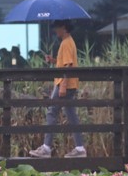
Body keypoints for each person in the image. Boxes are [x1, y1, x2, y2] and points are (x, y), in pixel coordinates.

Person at [29, 19, 86, 158]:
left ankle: (46, 148)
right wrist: (53, 60)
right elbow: (64, 63)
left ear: (64, 28)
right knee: (71, 115)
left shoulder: (66, 43)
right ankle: (80, 148)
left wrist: (63, 86)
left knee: (51, 112)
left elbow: (67, 66)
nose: (55, 30)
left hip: (63, 82)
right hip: (68, 83)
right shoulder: (68, 41)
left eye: (57, 28)